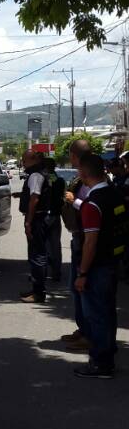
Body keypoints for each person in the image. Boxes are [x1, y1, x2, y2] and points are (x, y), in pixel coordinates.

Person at [72, 152, 126, 378]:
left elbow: (91, 242)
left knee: (96, 315)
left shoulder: (92, 204)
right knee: (107, 312)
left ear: (83, 173)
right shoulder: (115, 194)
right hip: (113, 260)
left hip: (97, 266)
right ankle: (107, 355)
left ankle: (101, 363)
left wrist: (82, 273)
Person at [60, 138, 93, 348]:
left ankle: (89, 335)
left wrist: (75, 201)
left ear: (74, 156)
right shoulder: (82, 180)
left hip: (85, 240)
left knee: (83, 288)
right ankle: (83, 330)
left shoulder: (92, 181)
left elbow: (93, 211)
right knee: (76, 289)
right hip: (78, 239)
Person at [18, 149, 51, 303]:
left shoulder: (36, 175)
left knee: (37, 256)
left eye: (24, 161)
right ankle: (36, 289)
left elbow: (34, 199)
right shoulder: (40, 172)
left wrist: (28, 222)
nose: (23, 164)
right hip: (40, 217)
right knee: (37, 254)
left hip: (37, 219)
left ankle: (39, 293)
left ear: (32, 160)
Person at [43, 157, 64, 282]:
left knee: (44, 246)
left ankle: (44, 273)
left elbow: (51, 187)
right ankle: (56, 272)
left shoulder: (49, 179)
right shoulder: (58, 180)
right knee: (55, 246)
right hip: (55, 215)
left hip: (47, 215)